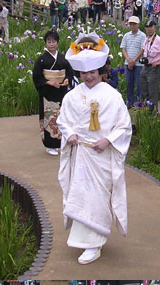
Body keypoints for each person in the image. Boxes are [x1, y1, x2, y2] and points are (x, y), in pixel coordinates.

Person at [58, 32, 132, 265]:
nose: (88, 77)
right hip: (81, 153)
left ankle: (96, 243)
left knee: (99, 197)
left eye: (92, 72)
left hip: (102, 154)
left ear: (101, 71)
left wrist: (108, 140)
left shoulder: (113, 96)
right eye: (84, 73)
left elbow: (124, 125)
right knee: (81, 194)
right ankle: (85, 240)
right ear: (79, 73)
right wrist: (69, 134)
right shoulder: (72, 96)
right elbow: (62, 120)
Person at [33, 27, 73, 152]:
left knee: (61, 117)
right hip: (48, 92)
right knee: (49, 118)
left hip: (60, 91)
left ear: (57, 42)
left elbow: (69, 72)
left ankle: (60, 142)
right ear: (45, 43)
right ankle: (50, 145)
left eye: (54, 41)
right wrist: (48, 82)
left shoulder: (63, 58)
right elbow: (36, 76)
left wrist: (67, 79)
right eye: (49, 42)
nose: (51, 44)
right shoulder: (41, 59)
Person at [137, 19, 160, 113]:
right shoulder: (146, 39)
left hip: (154, 67)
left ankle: (152, 110)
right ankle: (146, 103)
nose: (149, 29)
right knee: (143, 84)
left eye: (151, 27)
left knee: (152, 89)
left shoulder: (158, 39)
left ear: (155, 28)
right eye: (147, 27)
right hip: (146, 66)